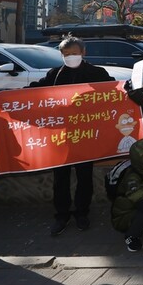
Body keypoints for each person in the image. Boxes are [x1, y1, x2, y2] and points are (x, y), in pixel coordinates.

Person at [29, 35, 114, 236]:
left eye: (74, 53)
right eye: (66, 54)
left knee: (85, 177)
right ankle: (61, 215)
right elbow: (36, 91)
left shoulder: (96, 73)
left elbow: (112, 90)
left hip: (86, 135)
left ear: (83, 53)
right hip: (62, 136)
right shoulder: (54, 74)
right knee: (60, 178)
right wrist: (9, 97)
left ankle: (82, 213)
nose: (70, 57)